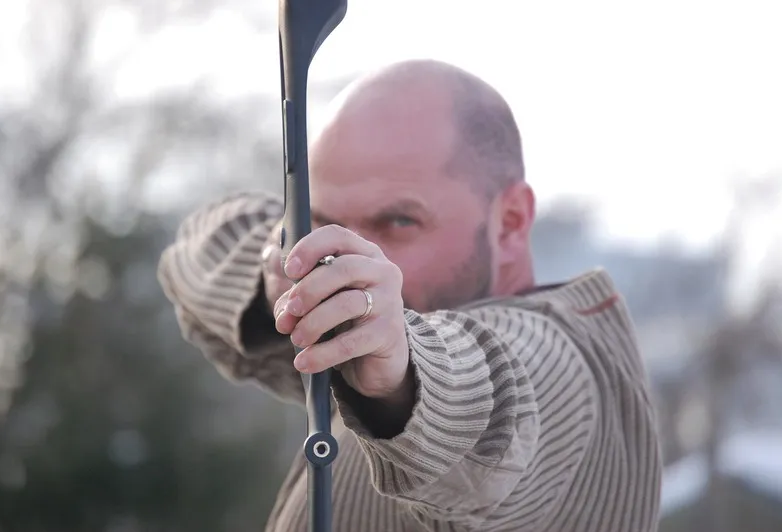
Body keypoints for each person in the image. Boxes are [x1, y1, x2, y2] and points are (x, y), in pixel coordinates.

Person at [157, 59, 662, 532]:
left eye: (398, 222)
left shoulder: (564, 364)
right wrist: (281, 265)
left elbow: (493, 394)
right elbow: (195, 251)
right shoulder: (345, 304)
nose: (344, 260)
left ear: (509, 224)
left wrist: (399, 380)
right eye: (323, 224)